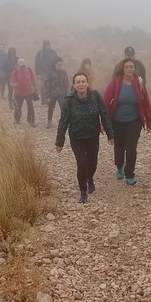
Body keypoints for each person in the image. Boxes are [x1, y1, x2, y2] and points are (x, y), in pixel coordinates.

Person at [55, 72, 113, 204]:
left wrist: (110, 134)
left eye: (83, 81)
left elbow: (104, 114)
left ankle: (90, 178)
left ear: (87, 83)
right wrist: (60, 142)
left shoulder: (95, 96)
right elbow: (63, 121)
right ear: (74, 85)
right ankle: (83, 191)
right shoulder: (69, 100)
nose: (81, 84)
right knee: (82, 164)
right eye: (78, 82)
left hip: (93, 135)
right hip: (77, 137)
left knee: (93, 163)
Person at [103, 58, 151, 186]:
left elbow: (145, 102)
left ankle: (129, 174)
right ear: (122, 69)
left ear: (134, 69)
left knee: (131, 149)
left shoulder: (139, 82)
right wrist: (103, 122)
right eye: (127, 67)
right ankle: (119, 166)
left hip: (134, 121)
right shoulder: (115, 82)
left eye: (131, 67)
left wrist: (149, 120)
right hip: (117, 121)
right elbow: (106, 102)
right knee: (119, 147)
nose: (129, 69)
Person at [10, 58, 37, 127]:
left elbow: (33, 79)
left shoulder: (29, 70)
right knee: (18, 107)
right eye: (21, 66)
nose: (23, 67)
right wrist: (15, 85)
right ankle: (17, 119)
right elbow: (11, 83)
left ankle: (31, 121)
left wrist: (35, 89)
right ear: (18, 66)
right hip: (19, 93)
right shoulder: (15, 72)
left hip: (29, 92)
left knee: (30, 106)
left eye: (24, 65)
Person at [44, 57, 69, 129]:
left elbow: (66, 83)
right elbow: (47, 85)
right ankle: (49, 122)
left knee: (63, 108)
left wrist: (66, 93)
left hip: (62, 93)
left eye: (61, 65)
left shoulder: (63, 72)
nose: (60, 66)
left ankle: (64, 122)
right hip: (52, 94)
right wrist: (47, 96)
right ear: (55, 64)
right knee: (51, 108)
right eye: (59, 65)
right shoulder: (50, 73)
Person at [35, 40, 59, 105]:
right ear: (43, 46)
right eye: (45, 45)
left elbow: (57, 61)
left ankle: (51, 99)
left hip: (52, 71)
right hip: (43, 71)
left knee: (52, 85)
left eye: (48, 45)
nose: (47, 47)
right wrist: (37, 73)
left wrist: (58, 70)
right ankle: (43, 100)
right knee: (44, 85)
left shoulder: (53, 53)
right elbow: (36, 64)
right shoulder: (40, 54)